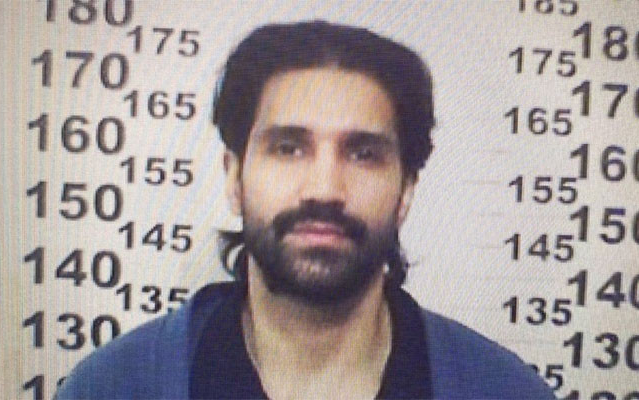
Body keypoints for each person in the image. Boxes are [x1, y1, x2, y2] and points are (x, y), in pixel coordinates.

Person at [56, 20, 556, 399]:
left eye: (363, 153)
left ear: (406, 190)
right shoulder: (111, 387)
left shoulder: (505, 391)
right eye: (288, 148)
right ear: (234, 177)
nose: (324, 189)